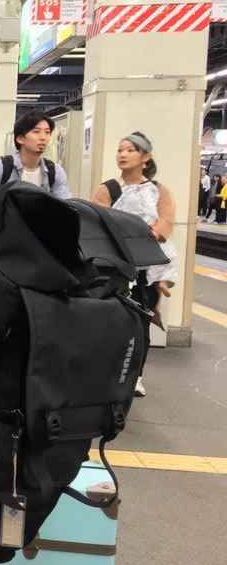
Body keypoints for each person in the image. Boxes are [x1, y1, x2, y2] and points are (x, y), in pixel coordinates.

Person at [91, 132, 176, 398]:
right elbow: (99, 220)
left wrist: (148, 234)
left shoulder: (159, 190)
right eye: (120, 150)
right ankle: (106, 373)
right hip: (116, 262)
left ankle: (135, 375)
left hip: (148, 267)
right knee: (111, 321)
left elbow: (166, 221)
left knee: (142, 322)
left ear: (145, 157)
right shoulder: (106, 190)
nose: (123, 154)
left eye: (130, 150)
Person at [0, 110, 72, 198]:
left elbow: (65, 204)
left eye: (47, 132)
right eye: (36, 132)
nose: (43, 137)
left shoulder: (55, 171)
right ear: (20, 139)